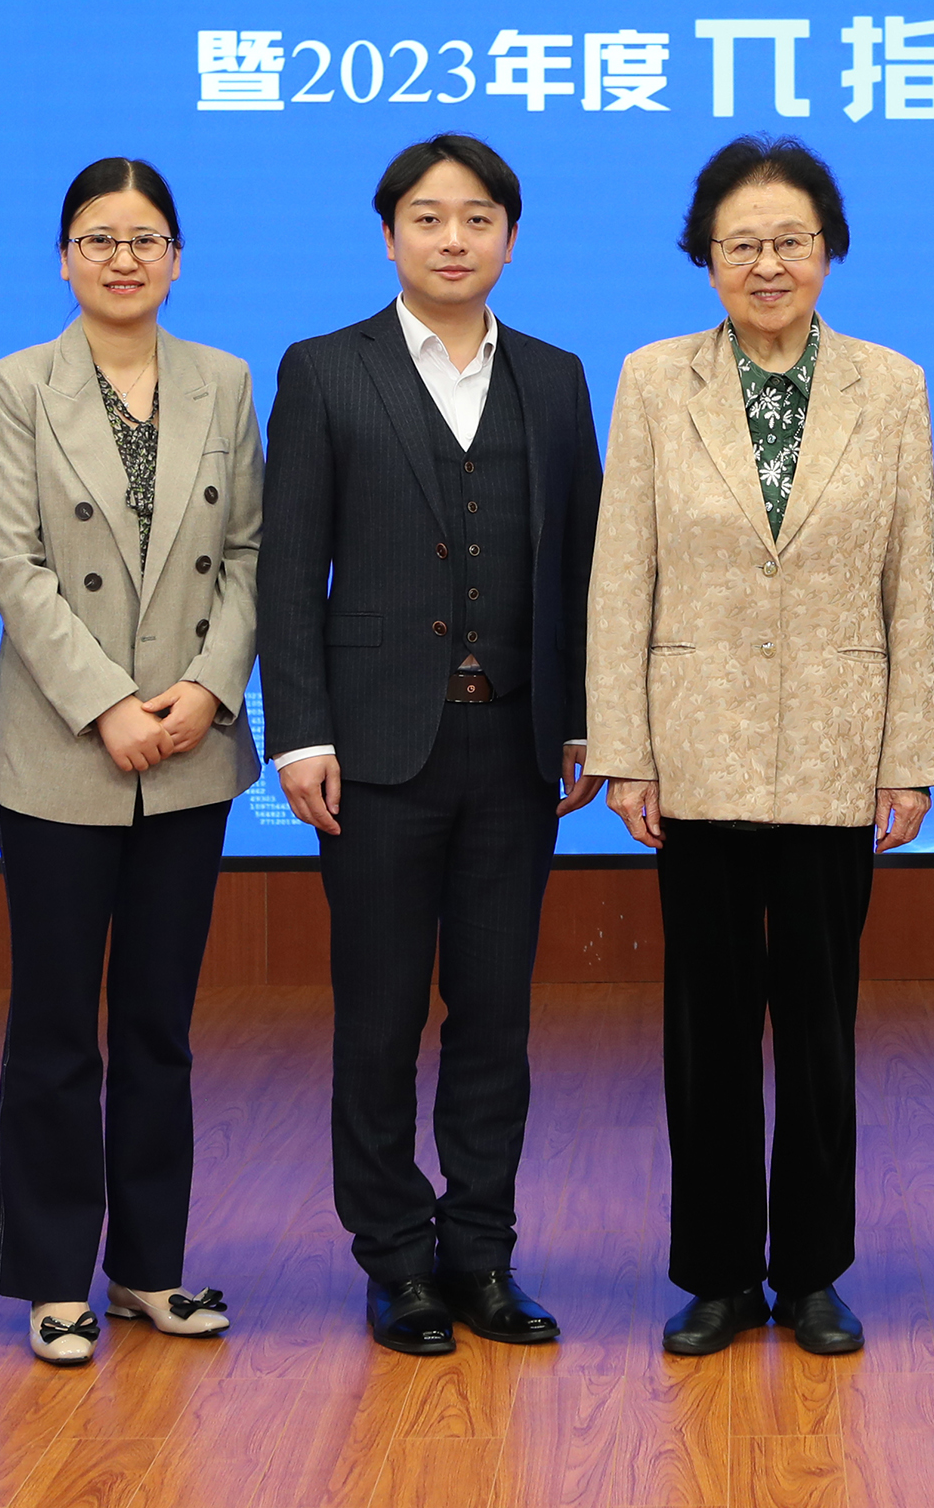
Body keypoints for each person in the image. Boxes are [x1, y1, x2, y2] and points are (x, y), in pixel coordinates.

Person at [590, 138, 934, 1359]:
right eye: (740, 243)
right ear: (705, 258)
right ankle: (715, 1274)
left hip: (838, 750)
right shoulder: (653, 379)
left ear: (829, 250)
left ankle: (810, 1272)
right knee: (705, 1029)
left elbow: (913, 577)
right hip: (695, 747)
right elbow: (620, 573)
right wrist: (626, 747)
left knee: (821, 1025)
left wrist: (911, 752)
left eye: (791, 240)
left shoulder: (890, 384)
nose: (767, 263)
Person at [258, 134, 603, 1358]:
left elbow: (581, 561)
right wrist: (299, 728)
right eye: (427, 216)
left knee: (496, 1014)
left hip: (513, 746)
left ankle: (482, 1253)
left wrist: (582, 716)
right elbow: (290, 565)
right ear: (389, 233)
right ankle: (397, 1260)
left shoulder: (555, 377)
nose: (453, 238)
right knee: (379, 1016)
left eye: (477, 217)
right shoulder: (324, 369)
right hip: (374, 751)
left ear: (511, 234)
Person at [0, 158, 262, 1365]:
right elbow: (11, 562)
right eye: (99, 238)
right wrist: (107, 706)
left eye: (145, 239)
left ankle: (149, 1266)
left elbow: (249, 553)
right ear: (64, 258)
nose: (123, 258)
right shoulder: (17, 384)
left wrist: (206, 688)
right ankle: (53, 1276)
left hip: (188, 749)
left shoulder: (225, 380)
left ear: (177, 258)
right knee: (54, 1026)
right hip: (61, 748)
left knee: (158, 1024)